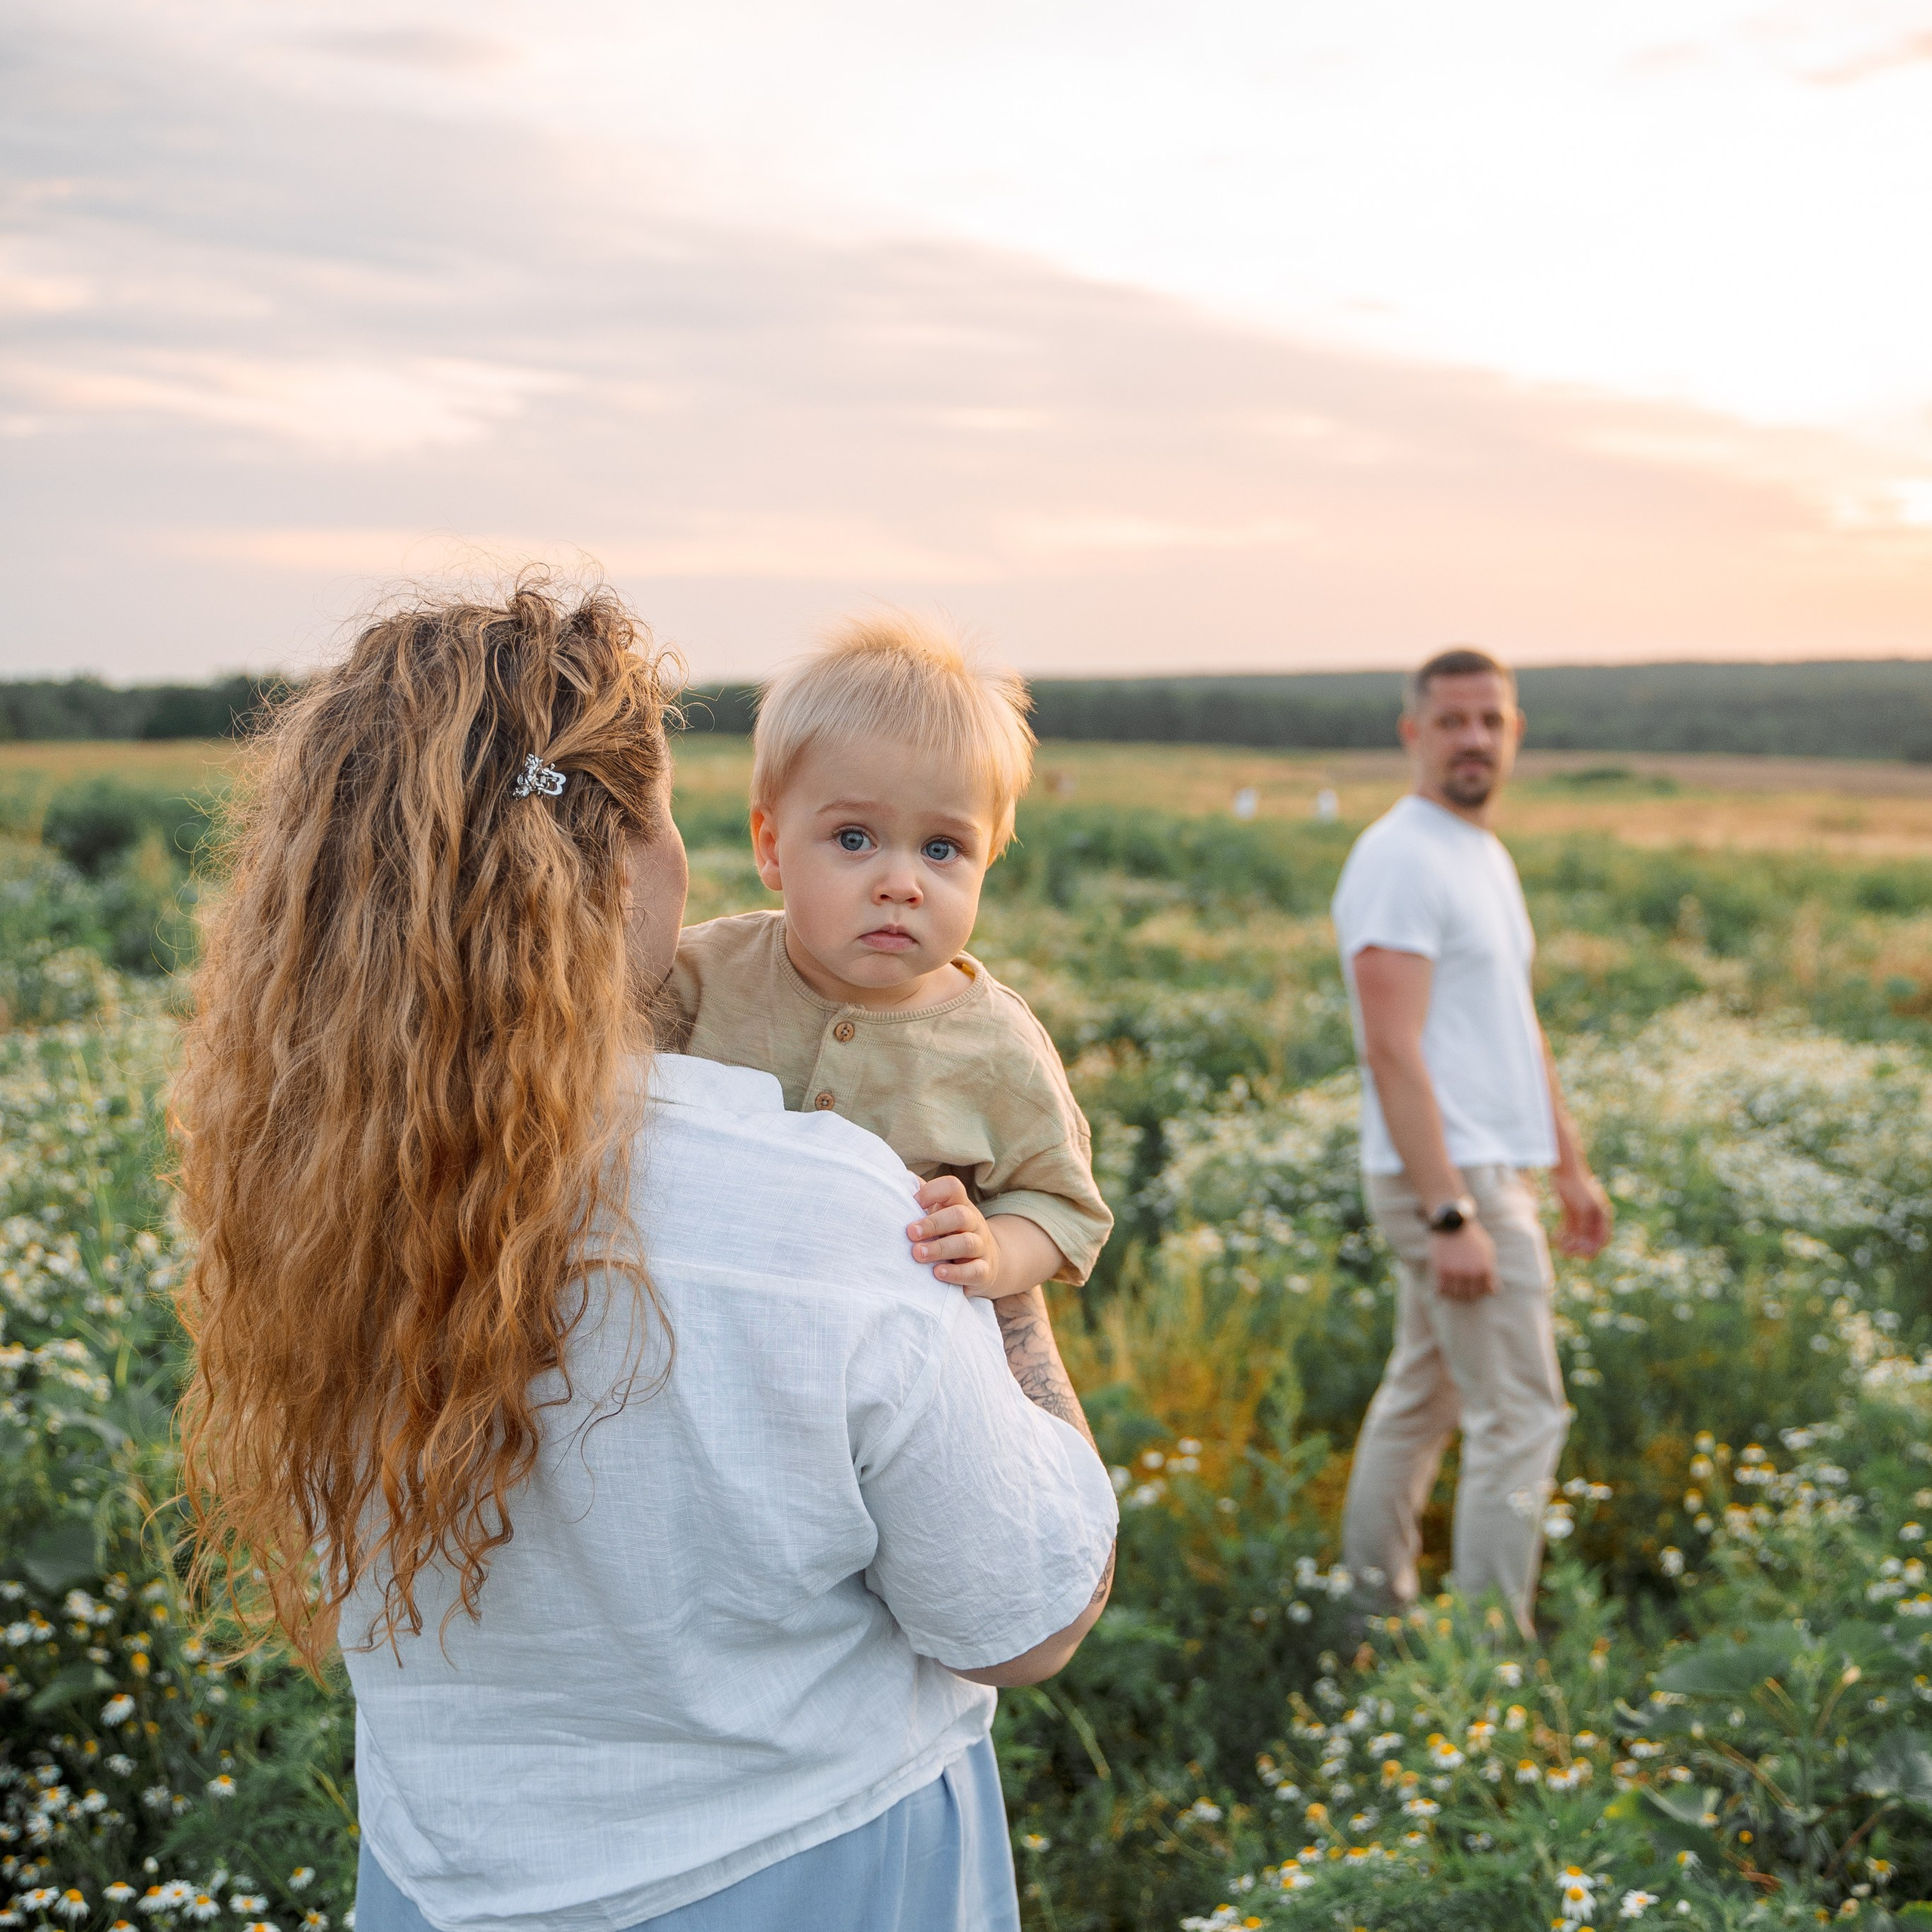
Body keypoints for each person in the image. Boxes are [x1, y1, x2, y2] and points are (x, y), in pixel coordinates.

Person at [171, 579, 1118, 1932]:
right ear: (620, 870)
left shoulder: (319, 1198)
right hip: (817, 1873)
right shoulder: (838, 1217)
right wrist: (1005, 1303)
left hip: (439, 1889)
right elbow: (1026, 1621)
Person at [671, 614, 1112, 1302]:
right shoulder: (700, 973)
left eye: (942, 849)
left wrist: (996, 1248)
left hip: (878, 1353)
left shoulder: (997, 1044)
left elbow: (1063, 1208)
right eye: (854, 838)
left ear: (987, 862)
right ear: (770, 846)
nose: (901, 884)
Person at [1331, 646, 1612, 1639]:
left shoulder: (1479, 853)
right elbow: (1391, 1049)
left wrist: (1568, 1163)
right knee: (1523, 1417)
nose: (1474, 739)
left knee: (1425, 1396)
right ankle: (1493, 1663)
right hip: (1450, 1181)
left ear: (1515, 731)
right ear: (1414, 734)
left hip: (1490, 1170)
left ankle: (1368, 1615)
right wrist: (1450, 1210)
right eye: (1452, 721)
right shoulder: (1400, 856)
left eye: (1491, 720)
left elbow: (1511, 1021)